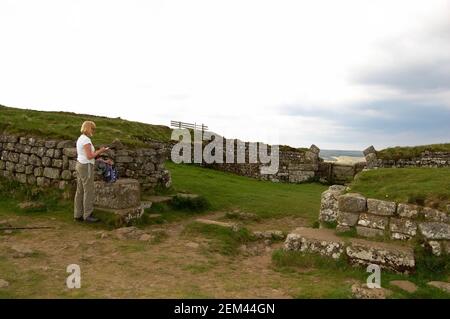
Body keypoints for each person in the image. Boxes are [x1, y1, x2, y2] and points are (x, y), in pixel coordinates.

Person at [74, 121, 109, 223]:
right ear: (88, 128)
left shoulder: (80, 138)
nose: (93, 131)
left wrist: (103, 160)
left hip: (80, 164)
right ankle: (87, 215)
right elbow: (90, 156)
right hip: (86, 166)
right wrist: (101, 151)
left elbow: (86, 155)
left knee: (80, 190)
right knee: (88, 190)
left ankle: (78, 214)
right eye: (93, 129)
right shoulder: (86, 140)